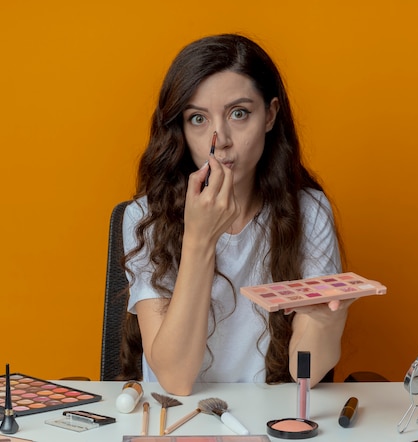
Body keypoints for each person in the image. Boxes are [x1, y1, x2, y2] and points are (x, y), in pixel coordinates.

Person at [121, 33, 352, 396]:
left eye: (239, 114)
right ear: (180, 127)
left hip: (266, 414)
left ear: (270, 115)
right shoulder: (144, 216)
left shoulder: (309, 211)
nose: (221, 139)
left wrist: (329, 319)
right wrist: (199, 239)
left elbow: (303, 371)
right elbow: (176, 379)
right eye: (198, 119)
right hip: (175, 416)